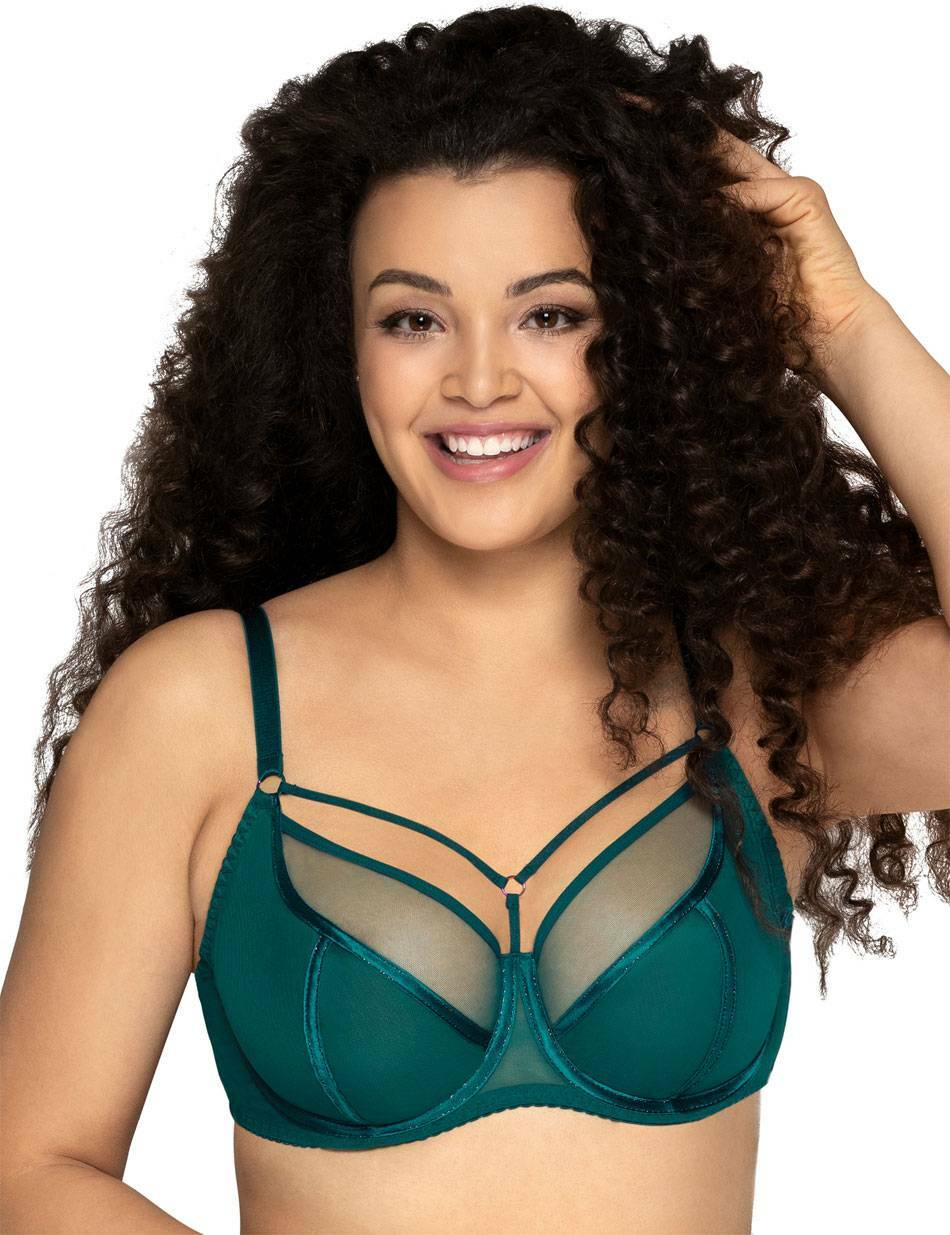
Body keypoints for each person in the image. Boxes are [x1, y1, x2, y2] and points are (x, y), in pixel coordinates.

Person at [2, 6, 947, 1233]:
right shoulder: (202, 705)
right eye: (413, 318)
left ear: (640, 337)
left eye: (550, 313)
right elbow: (28, 1167)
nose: (480, 380)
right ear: (338, 346)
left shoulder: (755, 695)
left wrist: (842, 323)